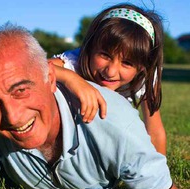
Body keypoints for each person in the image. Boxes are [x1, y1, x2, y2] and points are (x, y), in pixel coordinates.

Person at [0, 23, 181, 189]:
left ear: (50, 79)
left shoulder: (117, 121)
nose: (12, 117)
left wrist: (154, 171)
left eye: (21, 90)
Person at [50, 3, 167, 155]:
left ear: (142, 67)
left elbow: (155, 131)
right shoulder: (74, 61)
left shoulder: (146, 77)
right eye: (105, 55)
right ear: (90, 47)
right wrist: (71, 78)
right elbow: (32, 69)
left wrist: (160, 176)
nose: (111, 71)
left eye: (127, 63)